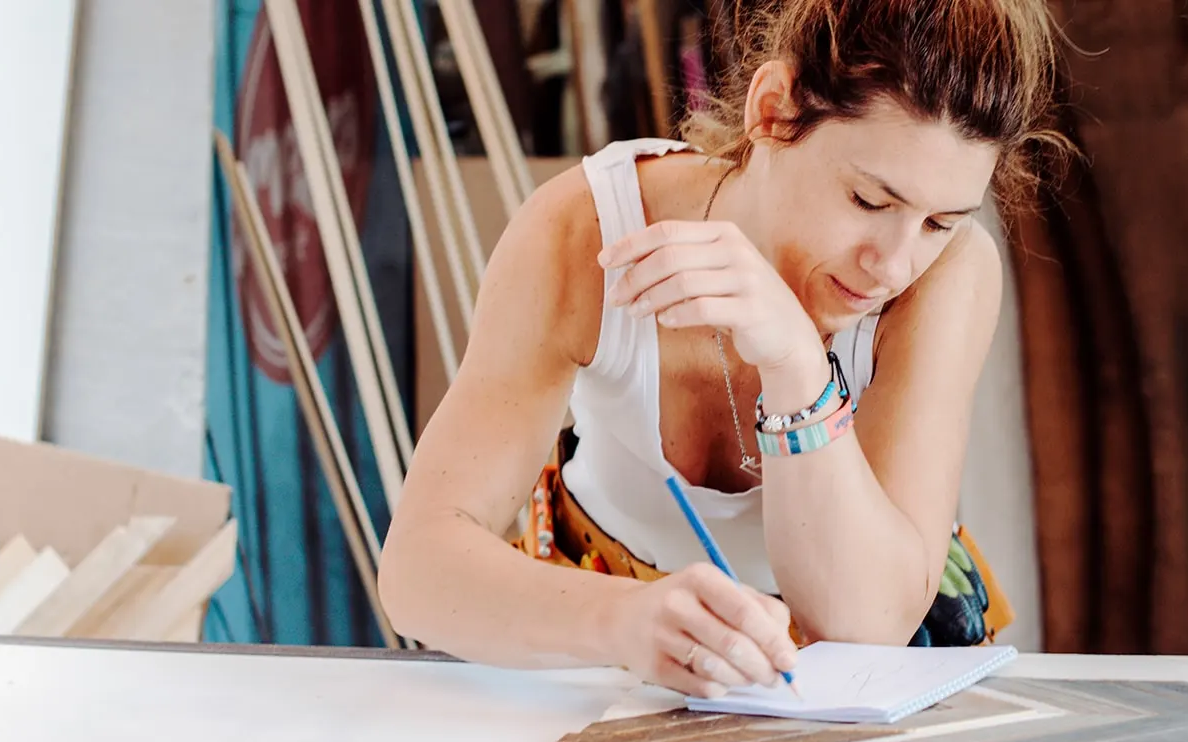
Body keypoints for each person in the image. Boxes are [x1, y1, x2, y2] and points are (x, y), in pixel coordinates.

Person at [378, 0, 1068, 700]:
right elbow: (417, 569)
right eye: (868, 200)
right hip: (606, 634)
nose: (893, 265)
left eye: (940, 222)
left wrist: (797, 364)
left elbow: (863, 623)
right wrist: (621, 621)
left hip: (865, 670)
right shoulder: (586, 232)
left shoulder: (948, 279)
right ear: (772, 111)